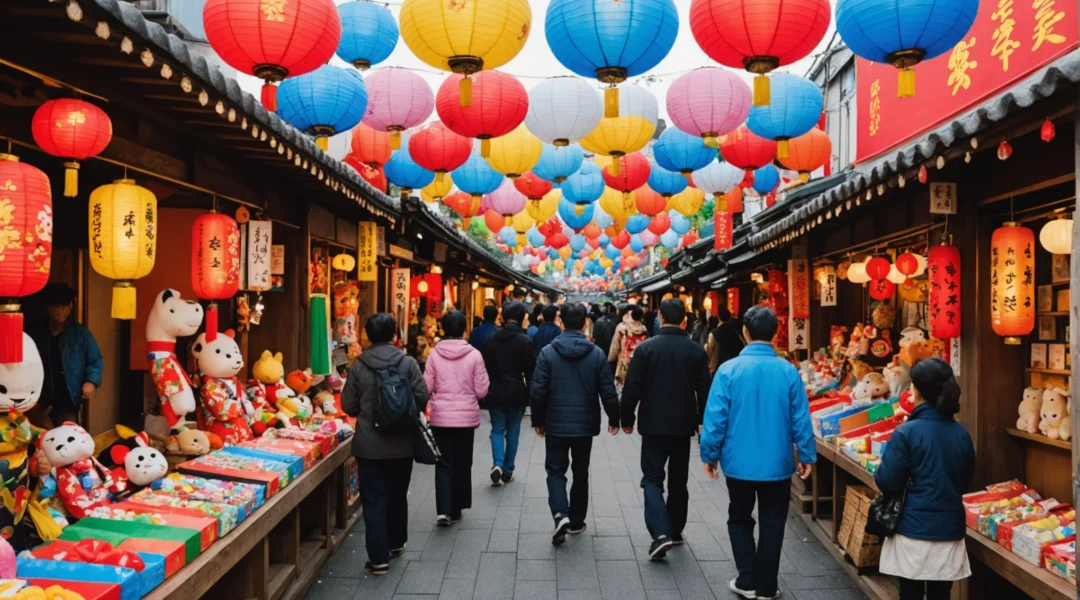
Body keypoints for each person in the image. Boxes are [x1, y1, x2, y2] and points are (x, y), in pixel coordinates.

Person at [700, 306, 816, 600]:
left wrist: (709, 454)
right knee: (773, 520)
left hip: (738, 461)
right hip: (777, 461)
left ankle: (747, 579)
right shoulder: (788, 371)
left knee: (739, 517)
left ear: (746, 333)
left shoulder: (729, 370)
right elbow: (800, 418)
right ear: (775, 333)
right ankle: (767, 586)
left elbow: (715, 417)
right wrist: (806, 455)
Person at [876, 358, 975, 600]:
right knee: (941, 594)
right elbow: (964, 481)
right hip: (948, 528)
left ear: (916, 391)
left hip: (912, 529)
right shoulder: (961, 434)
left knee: (910, 592)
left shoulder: (906, 433)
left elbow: (887, 481)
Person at [620, 299, 712, 560]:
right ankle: (674, 529)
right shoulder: (695, 351)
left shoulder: (645, 349)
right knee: (679, 480)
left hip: (652, 424)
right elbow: (705, 391)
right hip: (683, 425)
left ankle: (660, 532)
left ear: (659, 317)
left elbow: (632, 388)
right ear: (684, 320)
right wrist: (702, 420)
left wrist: (625, 417)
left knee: (651, 479)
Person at [342, 313, 430, 576]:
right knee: (397, 494)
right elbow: (422, 396)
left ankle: (378, 558)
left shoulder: (359, 366)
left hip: (369, 445)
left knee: (374, 500)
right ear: (394, 334)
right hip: (402, 442)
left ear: (367, 335)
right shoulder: (408, 363)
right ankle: (396, 543)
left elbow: (348, 405)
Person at [529, 303, 619, 545]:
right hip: (584, 424)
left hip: (556, 422)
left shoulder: (548, 352)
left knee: (556, 470)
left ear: (561, 323)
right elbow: (608, 390)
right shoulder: (597, 353)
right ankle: (576, 520)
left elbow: (538, 390)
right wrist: (614, 417)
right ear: (584, 324)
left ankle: (560, 513)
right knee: (580, 471)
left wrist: (537, 420)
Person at [424, 311, 490, 527]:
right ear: (464, 329)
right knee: (463, 462)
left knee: (443, 463)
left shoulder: (434, 354)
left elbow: (426, 387)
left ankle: (443, 510)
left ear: (443, 328)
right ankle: (457, 507)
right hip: (465, 419)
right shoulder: (474, 355)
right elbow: (482, 390)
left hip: (441, 417)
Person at [28, 284, 102, 428]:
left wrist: (91, 381)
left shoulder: (80, 334)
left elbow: (95, 360)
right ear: (48, 307)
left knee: (68, 437)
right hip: (42, 397)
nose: (62, 312)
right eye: (57, 307)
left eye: (66, 307)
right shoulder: (37, 334)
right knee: (42, 437)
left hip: (68, 398)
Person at [480, 301, 536, 486]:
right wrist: (531, 395)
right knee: (512, 432)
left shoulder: (490, 339)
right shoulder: (525, 341)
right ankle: (507, 470)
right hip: (516, 391)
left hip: (495, 390)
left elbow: (484, 367)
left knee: (497, 429)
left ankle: (497, 463)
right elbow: (531, 371)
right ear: (521, 318)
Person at [607, 305, 648, 395]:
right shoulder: (643, 328)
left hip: (624, 363)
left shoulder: (621, 327)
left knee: (621, 390)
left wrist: (610, 359)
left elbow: (615, 345)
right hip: (639, 362)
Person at [706, 308, 745, 375]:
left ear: (718, 318)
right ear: (730, 318)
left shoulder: (714, 333)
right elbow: (743, 347)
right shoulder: (735, 333)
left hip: (716, 370)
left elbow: (708, 352)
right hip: (734, 368)